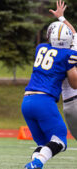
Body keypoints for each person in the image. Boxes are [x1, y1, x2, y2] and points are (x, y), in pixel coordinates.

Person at [22, 1, 77, 168]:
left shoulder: (41, 48)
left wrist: (61, 19)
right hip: (46, 101)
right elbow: (74, 84)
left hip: (27, 101)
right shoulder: (69, 55)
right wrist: (73, 64)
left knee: (44, 143)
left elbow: (71, 35)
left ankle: (33, 164)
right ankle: (36, 164)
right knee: (60, 141)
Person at [50, 0, 77, 141]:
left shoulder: (50, 56)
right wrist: (62, 18)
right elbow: (74, 33)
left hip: (69, 104)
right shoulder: (72, 51)